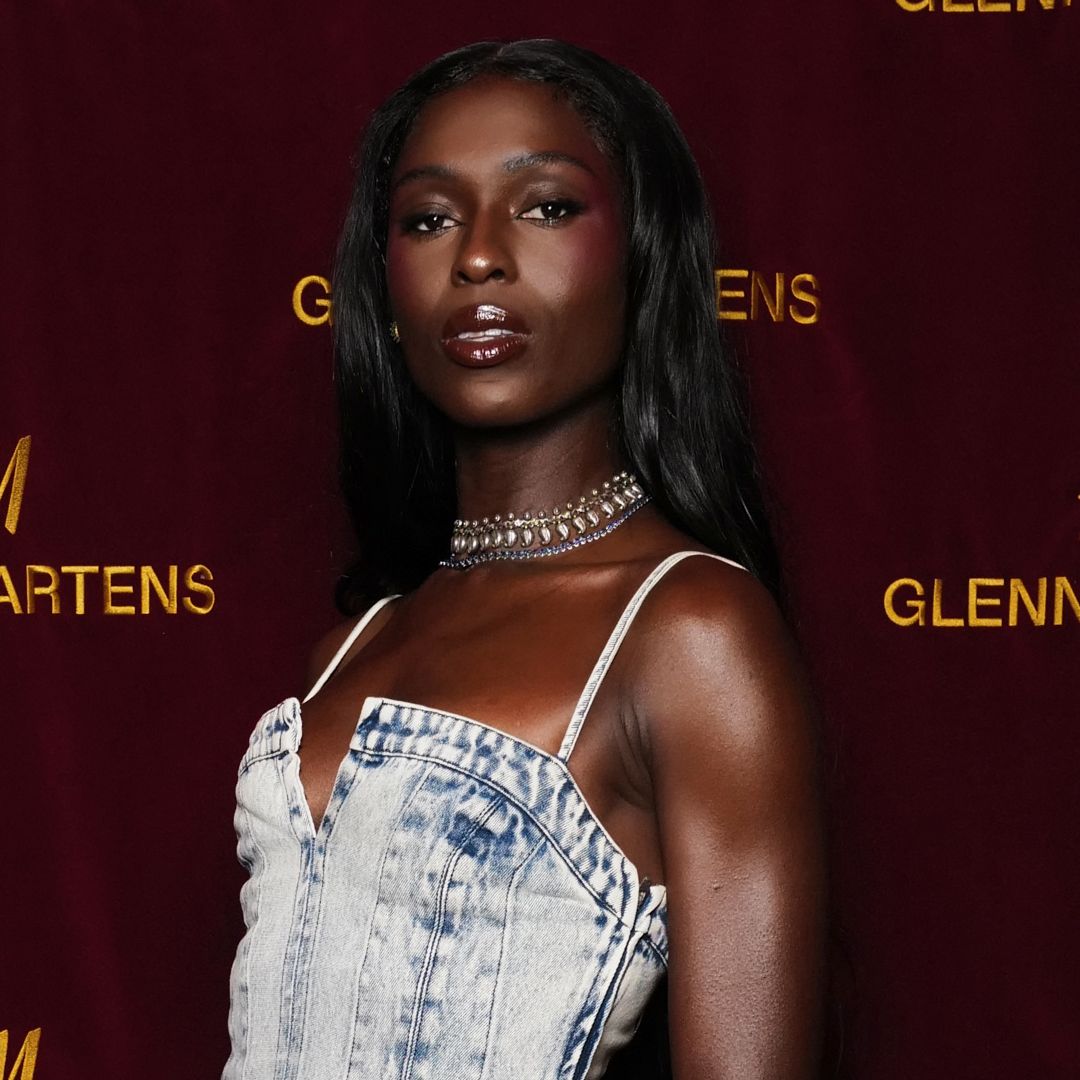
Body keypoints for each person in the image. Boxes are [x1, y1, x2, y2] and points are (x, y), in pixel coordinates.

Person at [223, 38, 825, 1080]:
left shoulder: (688, 632)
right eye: (427, 219)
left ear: (643, 256)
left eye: (545, 206)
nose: (479, 258)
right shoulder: (350, 648)